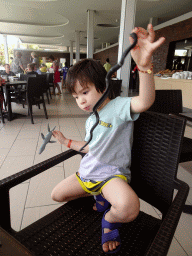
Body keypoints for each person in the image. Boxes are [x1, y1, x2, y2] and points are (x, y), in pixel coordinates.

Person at [51, 24, 165, 254]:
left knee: (129, 209)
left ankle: (109, 220)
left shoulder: (118, 106)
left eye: (85, 92)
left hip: (111, 175)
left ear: (102, 85)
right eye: (75, 97)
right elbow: (93, 148)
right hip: (89, 171)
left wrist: (144, 67)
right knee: (56, 195)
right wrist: (67, 142)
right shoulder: (91, 118)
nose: (81, 101)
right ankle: (100, 195)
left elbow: (144, 101)